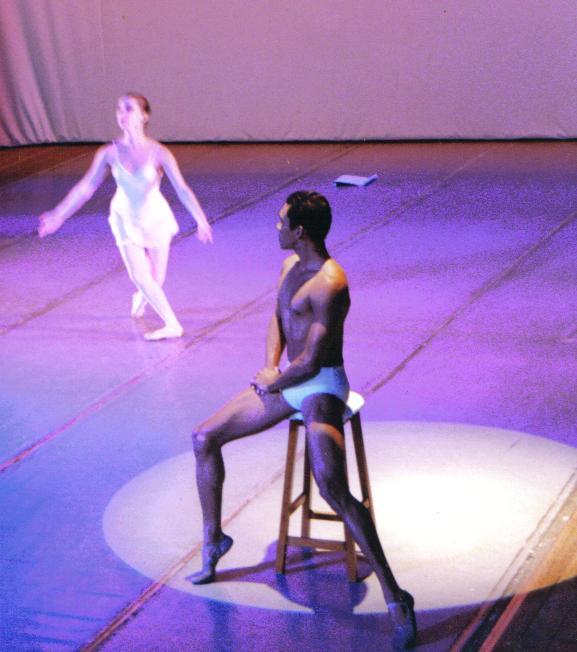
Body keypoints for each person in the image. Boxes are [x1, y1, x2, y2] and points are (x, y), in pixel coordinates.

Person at [190, 191, 417, 649]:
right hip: (286, 381)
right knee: (203, 437)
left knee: (331, 485)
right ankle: (214, 540)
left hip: (319, 386)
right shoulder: (288, 267)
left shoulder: (331, 282)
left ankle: (397, 596)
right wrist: (269, 369)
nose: (276, 229)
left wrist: (277, 381)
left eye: (281, 223)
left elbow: (313, 359)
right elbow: (277, 318)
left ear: (300, 231)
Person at [38, 92, 213, 341]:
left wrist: (201, 220)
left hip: (155, 218)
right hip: (124, 217)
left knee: (156, 280)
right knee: (139, 275)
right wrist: (59, 215)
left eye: (129, 109)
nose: (122, 114)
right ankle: (172, 324)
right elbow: (85, 188)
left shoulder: (159, 153)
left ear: (144, 116)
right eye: (119, 109)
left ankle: (140, 298)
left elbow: (182, 189)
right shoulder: (109, 153)